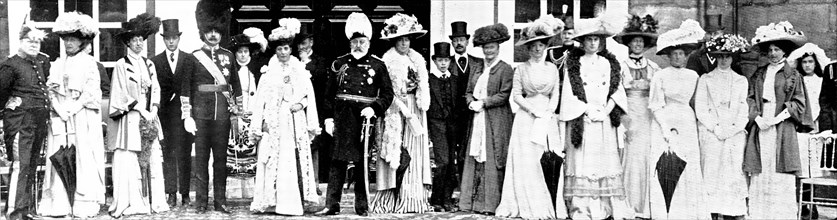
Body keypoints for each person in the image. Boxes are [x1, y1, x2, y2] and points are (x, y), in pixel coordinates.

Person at [315, 12, 394, 216]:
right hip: (342, 116)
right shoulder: (339, 64)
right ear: (350, 42)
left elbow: (388, 94)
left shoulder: (378, 65)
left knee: (362, 162)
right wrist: (328, 118)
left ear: (368, 41)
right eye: (355, 41)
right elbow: (328, 94)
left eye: (362, 41)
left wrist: (375, 108)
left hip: (364, 118)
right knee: (337, 161)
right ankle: (331, 204)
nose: (359, 45)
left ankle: (362, 206)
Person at [557, 17, 631, 220]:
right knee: (583, 162)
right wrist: (587, 109)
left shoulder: (608, 63)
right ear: (582, 41)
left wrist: (606, 111)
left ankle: (604, 207)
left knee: (602, 161)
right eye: (588, 39)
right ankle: (582, 209)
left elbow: (617, 90)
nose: (592, 43)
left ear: (601, 42)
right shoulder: (574, 64)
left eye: (596, 39)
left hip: (603, 119)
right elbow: (570, 94)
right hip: (584, 117)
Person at [249, 18, 321, 215]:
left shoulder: (299, 69)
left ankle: (293, 202)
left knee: (292, 158)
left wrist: (301, 104)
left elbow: (308, 95)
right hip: (274, 121)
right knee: (274, 157)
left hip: (294, 119)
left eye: (286, 49)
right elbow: (260, 101)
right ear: (275, 50)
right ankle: (272, 201)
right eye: (279, 49)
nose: (283, 52)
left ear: (291, 49)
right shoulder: (268, 72)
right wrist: (260, 123)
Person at [38, 11, 105, 218]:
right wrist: (59, 109)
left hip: (82, 116)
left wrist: (72, 109)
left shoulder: (89, 63)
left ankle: (83, 203)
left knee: (83, 156)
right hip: (61, 116)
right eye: (66, 39)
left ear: (82, 42)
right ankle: (60, 203)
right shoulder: (58, 63)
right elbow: (50, 90)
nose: (69, 43)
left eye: (73, 39)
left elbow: (91, 93)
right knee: (60, 155)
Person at [745, 21, 813, 219]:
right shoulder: (760, 73)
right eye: (771, 49)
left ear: (784, 52)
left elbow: (799, 104)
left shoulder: (793, 75)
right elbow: (749, 98)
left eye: (777, 49)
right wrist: (757, 118)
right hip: (761, 122)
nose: (773, 53)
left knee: (779, 168)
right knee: (762, 167)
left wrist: (776, 119)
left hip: (782, 125)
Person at [494, 20, 562, 219]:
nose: (537, 49)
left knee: (548, 156)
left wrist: (549, 112)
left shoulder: (552, 68)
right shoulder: (521, 69)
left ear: (546, 46)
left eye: (541, 45)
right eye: (533, 46)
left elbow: (556, 93)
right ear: (528, 49)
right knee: (528, 160)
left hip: (547, 117)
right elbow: (516, 95)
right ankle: (527, 201)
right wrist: (533, 110)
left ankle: (548, 202)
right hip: (527, 117)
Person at [181, 0, 242, 213]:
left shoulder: (229, 56)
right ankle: (200, 203)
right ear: (203, 32)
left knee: (220, 161)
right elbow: (186, 89)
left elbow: (236, 86)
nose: (214, 35)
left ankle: (220, 201)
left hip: (222, 116)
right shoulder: (192, 58)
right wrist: (187, 116)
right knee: (201, 162)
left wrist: (237, 111)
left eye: (217, 31)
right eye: (210, 31)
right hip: (200, 115)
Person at [370, 13, 432, 214]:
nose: (404, 43)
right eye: (400, 40)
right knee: (396, 151)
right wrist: (402, 107)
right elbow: (386, 91)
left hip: (415, 108)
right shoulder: (387, 60)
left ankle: (412, 198)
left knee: (414, 151)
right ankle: (390, 199)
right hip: (396, 109)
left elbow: (421, 85)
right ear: (394, 41)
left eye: (407, 39)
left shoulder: (416, 59)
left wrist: (416, 103)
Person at [107, 13, 169, 217]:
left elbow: (156, 89)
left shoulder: (149, 64)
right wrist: (139, 108)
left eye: (141, 40)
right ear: (127, 42)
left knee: (151, 158)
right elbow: (119, 94)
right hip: (131, 118)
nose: (138, 43)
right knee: (130, 159)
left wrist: (154, 111)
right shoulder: (121, 65)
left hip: (150, 117)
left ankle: (154, 201)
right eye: (134, 40)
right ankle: (132, 201)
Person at [646, 19, 709, 219]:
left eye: (681, 54)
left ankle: (688, 209)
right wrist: (664, 127)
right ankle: (665, 210)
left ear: (685, 56)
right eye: (673, 54)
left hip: (687, 120)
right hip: (665, 119)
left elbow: (698, 103)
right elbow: (655, 104)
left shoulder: (694, 76)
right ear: (668, 56)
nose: (677, 57)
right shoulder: (660, 76)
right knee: (666, 160)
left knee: (688, 161)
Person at [458, 23, 514, 214]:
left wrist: (484, 102)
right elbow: (468, 91)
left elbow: (504, 94)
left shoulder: (505, 69)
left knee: (491, 156)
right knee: (475, 156)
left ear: (498, 47)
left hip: (495, 118)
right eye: (485, 47)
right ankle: (471, 203)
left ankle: (490, 204)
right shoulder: (476, 68)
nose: (488, 51)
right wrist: (470, 102)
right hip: (477, 118)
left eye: (492, 47)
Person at [694, 34, 750, 220]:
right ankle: (710, 213)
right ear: (715, 57)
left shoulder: (741, 81)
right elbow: (700, 108)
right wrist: (715, 128)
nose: (724, 60)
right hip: (712, 132)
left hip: (733, 133)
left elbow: (743, 108)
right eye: (720, 56)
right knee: (711, 172)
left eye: (727, 56)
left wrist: (733, 129)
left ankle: (731, 212)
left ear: (732, 57)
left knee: (732, 173)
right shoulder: (705, 79)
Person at [0, 17, 51, 220]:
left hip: (37, 122)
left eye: (37, 41)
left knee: (31, 165)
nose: (33, 44)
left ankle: (25, 209)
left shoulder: (40, 63)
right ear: (20, 41)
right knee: (20, 166)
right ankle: (14, 212)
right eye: (29, 40)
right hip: (20, 123)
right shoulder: (10, 65)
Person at [611, 14, 659, 218]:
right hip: (629, 114)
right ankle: (628, 204)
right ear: (629, 44)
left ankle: (645, 205)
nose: (637, 44)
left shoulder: (653, 67)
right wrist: (622, 119)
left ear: (645, 44)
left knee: (645, 156)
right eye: (634, 41)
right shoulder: (620, 66)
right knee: (630, 158)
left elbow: (658, 95)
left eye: (640, 41)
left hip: (647, 115)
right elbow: (615, 93)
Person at [149, 19, 196, 208]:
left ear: (179, 39)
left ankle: (184, 193)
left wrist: (190, 113)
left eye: (174, 38)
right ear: (163, 40)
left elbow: (192, 87)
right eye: (167, 38)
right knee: (168, 155)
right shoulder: (155, 61)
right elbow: (153, 90)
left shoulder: (188, 59)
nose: (171, 42)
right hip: (166, 117)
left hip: (184, 116)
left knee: (184, 154)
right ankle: (170, 193)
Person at [294, 24, 332, 188]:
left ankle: (314, 182)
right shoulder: (292, 61)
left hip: (314, 106)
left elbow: (321, 83)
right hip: (296, 107)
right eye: (299, 43)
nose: (302, 46)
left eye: (305, 42)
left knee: (314, 144)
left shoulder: (320, 61)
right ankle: (298, 182)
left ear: (311, 42)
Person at [427, 42, 461, 212]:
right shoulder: (428, 79)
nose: (443, 63)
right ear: (434, 61)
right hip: (436, 124)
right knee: (442, 162)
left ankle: (447, 199)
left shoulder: (455, 80)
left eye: (446, 60)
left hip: (452, 126)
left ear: (450, 61)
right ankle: (436, 199)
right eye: (440, 60)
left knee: (451, 164)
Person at [447, 21, 483, 181]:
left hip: (471, 112)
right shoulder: (446, 63)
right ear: (452, 43)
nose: (459, 43)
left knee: (468, 150)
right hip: (452, 113)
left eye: (462, 39)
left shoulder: (478, 62)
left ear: (467, 41)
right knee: (451, 151)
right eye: (455, 40)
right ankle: (453, 184)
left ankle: (466, 184)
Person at [225, 33, 261, 178]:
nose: (243, 55)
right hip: (235, 113)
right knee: (234, 148)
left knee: (251, 147)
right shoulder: (230, 70)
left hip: (253, 111)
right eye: (240, 52)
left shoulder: (257, 69)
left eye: (246, 52)